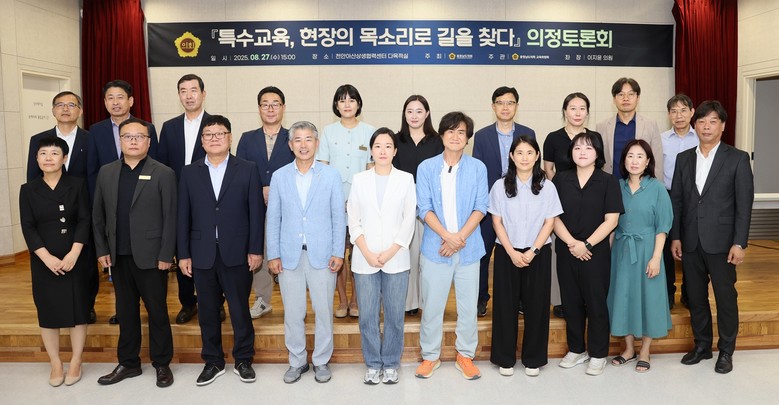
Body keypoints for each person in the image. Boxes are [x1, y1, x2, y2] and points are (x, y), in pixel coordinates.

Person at [177, 115, 263, 386]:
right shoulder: (189, 172)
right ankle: (213, 361)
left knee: (239, 310)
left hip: (237, 251)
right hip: (201, 253)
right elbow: (183, 215)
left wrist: (255, 249)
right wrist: (183, 253)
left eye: (220, 133)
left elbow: (256, 213)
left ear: (230, 137)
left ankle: (243, 359)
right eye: (209, 135)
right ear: (202, 141)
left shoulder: (247, 169)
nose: (214, 138)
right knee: (207, 312)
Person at [671, 100, 754, 374]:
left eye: (713, 121)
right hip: (690, 241)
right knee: (695, 298)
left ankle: (726, 351)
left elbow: (744, 205)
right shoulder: (684, 159)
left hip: (723, 244)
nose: (706, 126)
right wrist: (676, 237)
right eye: (702, 121)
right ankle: (702, 346)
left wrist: (739, 242)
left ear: (723, 126)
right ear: (695, 125)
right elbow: (677, 201)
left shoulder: (737, 158)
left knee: (725, 298)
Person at [92, 118, 175, 388]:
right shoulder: (106, 172)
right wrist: (102, 250)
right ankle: (128, 363)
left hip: (152, 257)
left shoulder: (163, 172)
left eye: (140, 136)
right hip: (118, 256)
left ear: (149, 142)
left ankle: (162, 363)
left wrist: (166, 254)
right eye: (128, 136)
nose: (134, 141)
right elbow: (98, 215)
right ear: (120, 141)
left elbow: (170, 217)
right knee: (125, 313)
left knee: (157, 312)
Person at [267, 121, 345, 384]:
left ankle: (321, 360)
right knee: (293, 313)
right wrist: (273, 254)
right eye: (297, 140)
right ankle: (297, 361)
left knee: (323, 311)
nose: (303, 145)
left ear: (317, 143)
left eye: (308, 139)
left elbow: (338, 216)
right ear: (290, 145)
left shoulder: (331, 175)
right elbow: (273, 218)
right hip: (289, 256)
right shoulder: (280, 176)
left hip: (323, 255)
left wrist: (338, 251)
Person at [414, 112, 488, 380]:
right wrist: (447, 236)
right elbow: (424, 208)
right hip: (436, 248)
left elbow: (481, 207)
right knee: (432, 306)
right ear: (442, 134)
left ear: (467, 138)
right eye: (450, 131)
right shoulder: (426, 167)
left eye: (461, 132)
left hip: (469, 248)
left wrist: (458, 239)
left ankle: (465, 355)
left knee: (468, 307)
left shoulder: (478, 168)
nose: (455, 136)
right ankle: (430, 356)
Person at [87, 79, 159, 325]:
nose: (115, 102)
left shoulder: (146, 128)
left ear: (131, 101)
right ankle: (124, 310)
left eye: (120, 97)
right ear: (105, 102)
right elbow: (92, 171)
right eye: (110, 98)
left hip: (143, 210)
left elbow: (157, 167)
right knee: (119, 271)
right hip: (110, 206)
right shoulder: (95, 130)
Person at [347, 128, 416, 384]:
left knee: (395, 316)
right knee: (367, 316)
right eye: (378, 146)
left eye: (388, 146)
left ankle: (391, 363)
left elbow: (409, 220)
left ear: (395, 151)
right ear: (371, 150)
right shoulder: (359, 179)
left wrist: (390, 252)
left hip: (396, 258)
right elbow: (353, 219)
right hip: (364, 258)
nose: (383, 151)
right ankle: (373, 363)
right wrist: (366, 251)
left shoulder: (406, 179)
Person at [489, 136, 562, 377]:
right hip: (507, 252)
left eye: (530, 153)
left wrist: (533, 251)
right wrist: (511, 252)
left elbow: (550, 222)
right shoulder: (500, 186)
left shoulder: (547, 186)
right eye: (519, 153)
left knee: (537, 306)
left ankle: (533, 359)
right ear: (511, 156)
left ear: (537, 156)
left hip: (537, 253)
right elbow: (497, 221)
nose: (524, 158)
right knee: (504, 306)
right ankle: (505, 358)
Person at [20, 137, 90, 387]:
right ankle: (55, 362)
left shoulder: (77, 184)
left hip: (74, 256)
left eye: (54, 153)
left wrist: (74, 252)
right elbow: (28, 227)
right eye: (43, 153)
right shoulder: (28, 190)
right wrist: (46, 257)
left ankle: (76, 361)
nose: (48, 158)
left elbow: (84, 219)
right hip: (44, 259)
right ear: (36, 159)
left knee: (78, 310)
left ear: (65, 158)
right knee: (48, 310)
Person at [552, 132, 622, 376]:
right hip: (566, 249)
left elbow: (612, 220)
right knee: (570, 302)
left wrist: (587, 245)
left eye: (589, 148)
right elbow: (553, 217)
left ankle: (598, 353)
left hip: (596, 253)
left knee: (596, 303)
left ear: (598, 153)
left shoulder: (608, 181)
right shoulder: (560, 179)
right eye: (578, 148)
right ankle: (576, 349)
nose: (582, 152)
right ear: (570, 152)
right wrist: (573, 243)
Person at [26, 91, 98, 325]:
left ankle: (87, 305)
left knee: (86, 262)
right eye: (60, 104)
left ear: (80, 110)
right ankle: (55, 308)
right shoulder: (39, 139)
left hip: (83, 209)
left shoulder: (92, 138)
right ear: (53, 110)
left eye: (71, 105)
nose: (65, 109)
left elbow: (96, 174)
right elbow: (32, 177)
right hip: (48, 213)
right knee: (51, 262)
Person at [607, 139, 673, 373]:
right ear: (624, 161)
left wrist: (656, 258)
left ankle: (645, 350)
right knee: (622, 297)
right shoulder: (616, 186)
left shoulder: (657, 188)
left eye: (639, 156)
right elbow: (610, 224)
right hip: (621, 251)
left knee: (649, 298)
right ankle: (628, 349)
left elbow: (662, 227)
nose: (634, 161)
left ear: (647, 162)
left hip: (647, 250)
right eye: (630, 156)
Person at [472, 86, 535, 317]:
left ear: (517, 106)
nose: (505, 107)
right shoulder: (482, 136)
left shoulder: (528, 132)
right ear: (493, 106)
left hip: (521, 206)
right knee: (483, 254)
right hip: (491, 206)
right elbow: (478, 173)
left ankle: (520, 300)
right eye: (500, 102)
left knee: (521, 250)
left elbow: (533, 166)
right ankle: (481, 298)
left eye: (510, 102)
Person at [543, 92, 604, 320]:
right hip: (560, 200)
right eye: (572, 108)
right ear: (564, 111)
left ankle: (587, 300)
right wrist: (558, 193)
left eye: (582, 108)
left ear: (587, 112)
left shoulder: (594, 137)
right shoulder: (553, 138)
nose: (577, 113)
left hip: (589, 201)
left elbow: (600, 166)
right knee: (560, 251)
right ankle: (561, 300)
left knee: (590, 251)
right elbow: (548, 169)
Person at [157, 73, 211, 325]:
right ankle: (188, 303)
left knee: (210, 250)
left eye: (193, 90)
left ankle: (214, 302)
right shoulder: (169, 127)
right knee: (183, 250)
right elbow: (163, 165)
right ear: (179, 95)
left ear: (203, 94)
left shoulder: (215, 124)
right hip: (178, 198)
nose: (189, 96)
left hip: (208, 199)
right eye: (183, 91)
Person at [237, 85, 295, 319]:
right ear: (259, 108)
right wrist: (258, 190)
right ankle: (262, 299)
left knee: (289, 251)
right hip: (255, 205)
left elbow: (300, 170)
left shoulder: (293, 137)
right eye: (265, 105)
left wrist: (277, 190)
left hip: (288, 206)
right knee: (259, 250)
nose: (270, 109)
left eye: (275, 104)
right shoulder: (247, 138)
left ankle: (293, 301)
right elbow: (239, 172)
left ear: (283, 108)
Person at [317, 84, 375, 318]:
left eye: (351, 100)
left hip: (361, 205)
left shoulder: (369, 131)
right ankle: (342, 301)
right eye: (342, 100)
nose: (347, 104)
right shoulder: (328, 132)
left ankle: (356, 300)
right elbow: (323, 169)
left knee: (360, 254)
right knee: (338, 252)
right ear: (336, 105)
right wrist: (335, 201)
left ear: (358, 104)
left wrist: (358, 201)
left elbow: (372, 169)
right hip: (335, 205)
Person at [393, 95, 443, 316]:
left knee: (429, 256)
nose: (414, 116)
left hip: (430, 206)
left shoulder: (437, 141)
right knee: (408, 256)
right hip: (403, 206)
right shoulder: (396, 140)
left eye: (419, 111)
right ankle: (410, 302)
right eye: (410, 111)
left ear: (427, 114)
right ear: (404, 114)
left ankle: (428, 302)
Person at [660, 94, 698, 309]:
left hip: (694, 199)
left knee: (691, 245)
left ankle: (690, 292)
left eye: (683, 110)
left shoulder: (701, 138)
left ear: (692, 112)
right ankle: (667, 292)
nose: (679, 115)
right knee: (665, 246)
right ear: (668, 115)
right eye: (674, 111)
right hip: (666, 196)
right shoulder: (661, 139)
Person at [596, 77, 663, 179]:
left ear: (638, 98)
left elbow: (657, 161)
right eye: (621, 94)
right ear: (614, 99)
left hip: (641, 184)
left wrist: (657, 185)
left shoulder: (650, 125)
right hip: (610, 183)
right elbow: (597, 161)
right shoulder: (602, 126)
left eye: (631, 94)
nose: (626, 98)